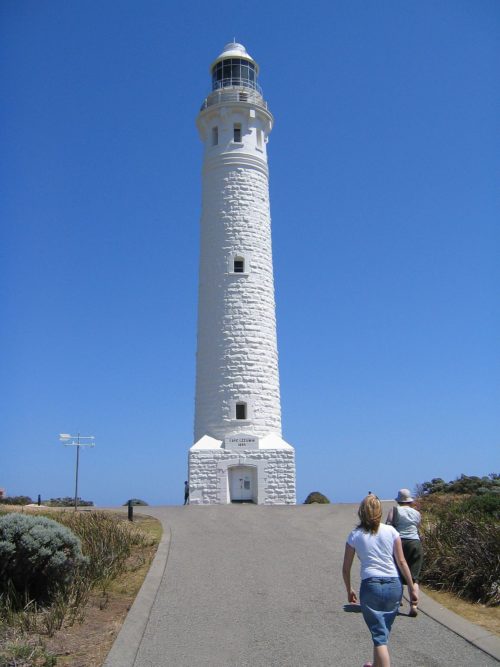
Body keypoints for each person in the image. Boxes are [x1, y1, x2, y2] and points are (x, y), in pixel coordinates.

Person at [342, 494, 418, 667]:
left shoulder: (355, 535)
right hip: (394, 585)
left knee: (379, 637)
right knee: (382, 632)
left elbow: (346, 568)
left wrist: (349, 589)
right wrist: (412, 587)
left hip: (371, 585)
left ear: (362, 512)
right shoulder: (392, 532)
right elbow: (401, 561)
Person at [386, 488, 422, 617]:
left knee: (397, 573)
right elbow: (417, 527)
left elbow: (388, 526)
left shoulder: (394, 511)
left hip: (399, 542)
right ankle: (414, 604)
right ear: (409, 501)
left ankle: (397, 601)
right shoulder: (416, 513)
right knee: (414, 577)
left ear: (399, 500)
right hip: (415, 543)